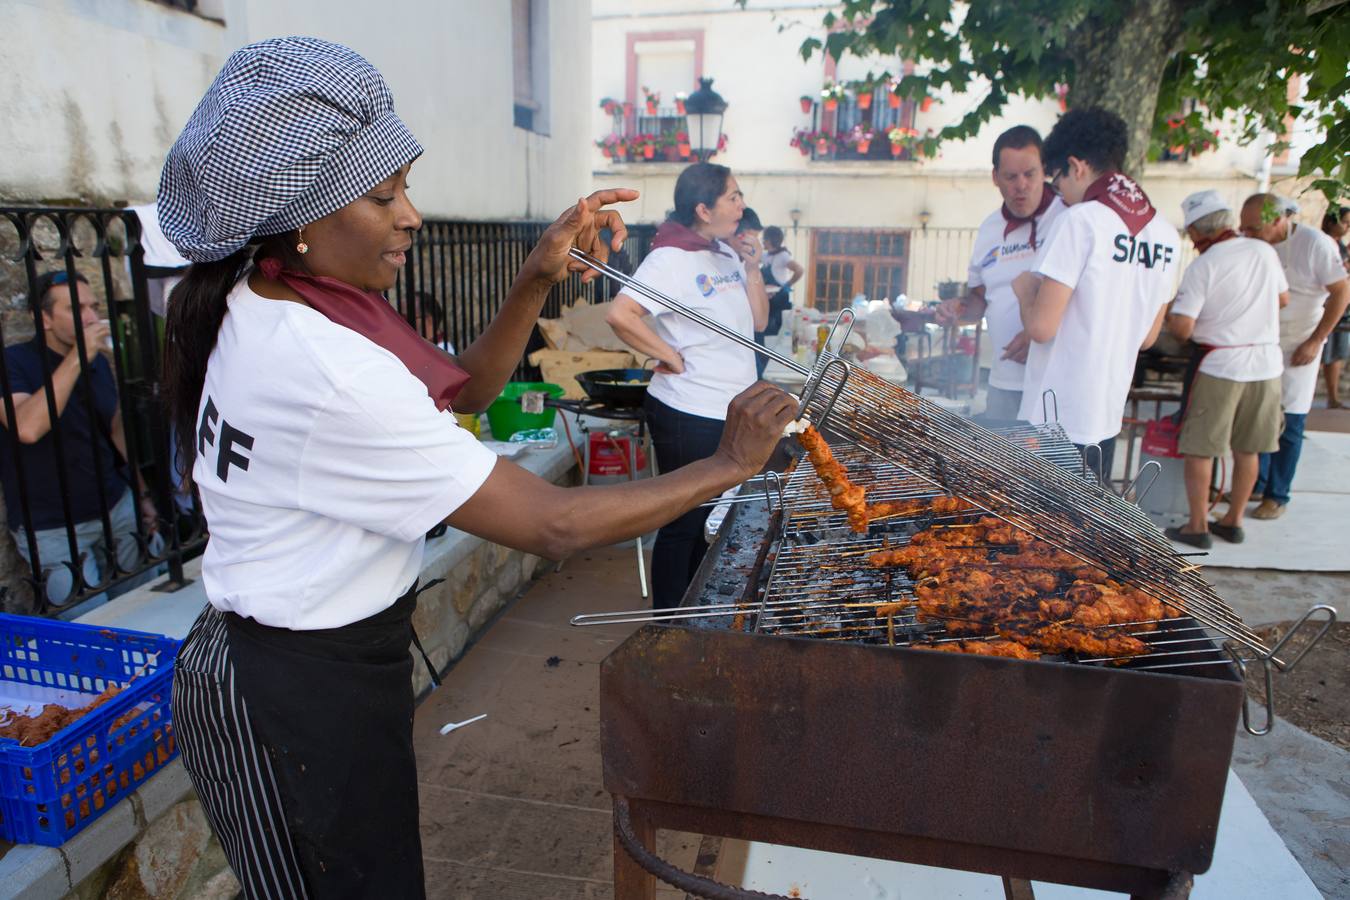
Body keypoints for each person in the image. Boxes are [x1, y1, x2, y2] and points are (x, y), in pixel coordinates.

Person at [159, 38, 793, 900]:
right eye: (384, 196)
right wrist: (727, 463)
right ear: (304, 218)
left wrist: (535, 278)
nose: (411, 215)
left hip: (316, 668)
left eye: (406, 189)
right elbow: (553, 523)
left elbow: (458, 394)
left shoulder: (275, 293)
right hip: (284, 693)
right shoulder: (325, 365)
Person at [605, 163, 770, 609]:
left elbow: (758, 322)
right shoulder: (670, 258)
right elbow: (621, 314)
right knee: (683, 519)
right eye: (733, 196)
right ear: (703, 207)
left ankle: (694, 611)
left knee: (713, 517)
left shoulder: (726, 253)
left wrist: (752, 267)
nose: (742, 204)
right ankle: (667, 624)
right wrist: (671, 355)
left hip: (732, 407)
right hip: (688, 410)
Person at [1012, 107, 1180, 482]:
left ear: (1076, 166)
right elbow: (1148, 337)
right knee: (1085, 531)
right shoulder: (1166, 234)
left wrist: (1025, 291)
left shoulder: (1080, 221)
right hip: (1105, 416)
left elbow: (1041, 328)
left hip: (1053, 418)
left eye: (1057, 183)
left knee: (1039, 535)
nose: (1061, 196)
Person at [0, 270, 159, 608]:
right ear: (43, 318)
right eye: (76, 309)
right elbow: (27, 427)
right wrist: (78, 357)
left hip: (116, 507)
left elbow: (115, 432)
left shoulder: (96, 362)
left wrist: (141, 493)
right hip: (53, 530)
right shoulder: (13, 363)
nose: (90, 316)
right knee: (89, 626)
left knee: (143, 607)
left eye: (93, 306)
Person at [1161, 191, 1287, 549]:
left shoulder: (1204, 265)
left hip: (1221, 366)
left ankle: (1198, 526)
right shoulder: (1264, 251)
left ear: (1199, 233)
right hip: (1266, 366)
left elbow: (1183, 328)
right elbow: (1282, 299)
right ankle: (1232, 522)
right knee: (1249, 449)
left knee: (1201, 448)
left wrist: (1173, 314)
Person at [940, 125, 1064, 421]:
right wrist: (957, 310)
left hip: (1053, 385)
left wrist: (1036, 329)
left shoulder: (1068, 218)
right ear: (996, 177)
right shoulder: (989, 229)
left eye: (1030, 174)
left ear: (1044, 170)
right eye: (1011, 177)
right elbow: (979, 301)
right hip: (1002, 382)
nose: (1021, 185)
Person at [1240, 193, 1350, 518]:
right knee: (1259, 416)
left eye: (1253, 228)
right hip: (1262, 342)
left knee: (1290, 421)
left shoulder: (1315, 243)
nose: (1246, 234)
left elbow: (1342, 292)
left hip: (1300, 343)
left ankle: (1278, 494)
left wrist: (1317, 341)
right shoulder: (1257, 245)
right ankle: (1256, 483)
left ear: (1278, 220)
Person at [734, 207, 774, 377]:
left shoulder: (750, 264)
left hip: (750, 352)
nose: (755, 246)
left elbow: (761, 322)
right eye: (751, 239)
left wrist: (753, 267)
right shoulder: (726, 263)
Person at [1318, 206, 1349, 407]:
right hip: (1322, 304)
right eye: (1344, 222)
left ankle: (1333, 396)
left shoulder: (1343, 247)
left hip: (1342, 305)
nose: (1347, 227)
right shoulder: (1320, 244)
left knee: (1337, 349)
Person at [761, 224, 803, 338]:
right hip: (767, 300)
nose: (762, 241)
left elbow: (799, 270)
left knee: (776, 333)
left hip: (779, 301)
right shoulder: (765, 255)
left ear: (770, 240)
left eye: (764, 238)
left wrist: (788, 285)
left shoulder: (783, 256)